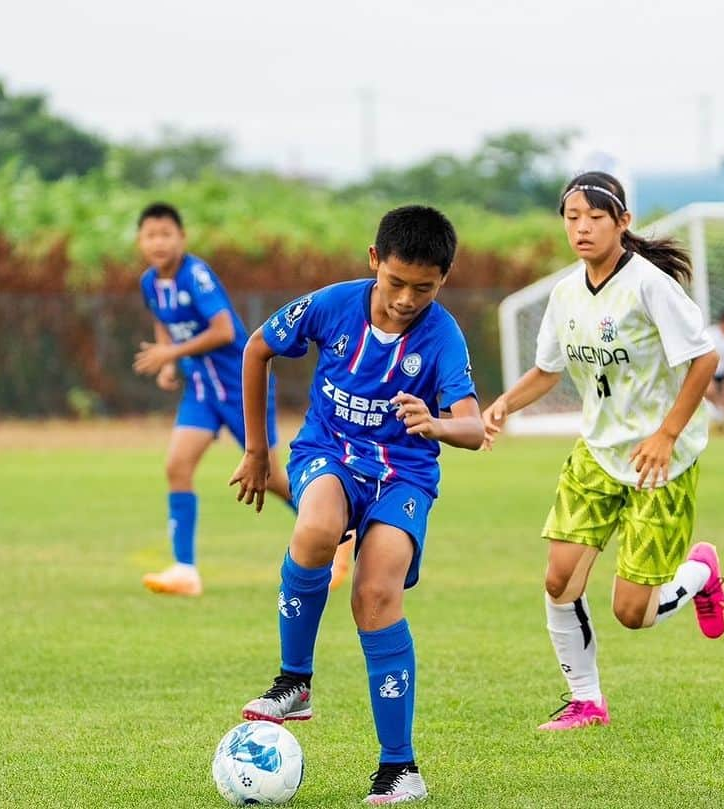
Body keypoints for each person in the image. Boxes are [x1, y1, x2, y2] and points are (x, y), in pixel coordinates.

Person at [229, 205, 483, 804]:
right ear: (375, 262)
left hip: (405, 477)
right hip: (331, 452)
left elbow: (473, 428)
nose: (405, 299)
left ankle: (400, 769)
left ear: (443, 280)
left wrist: (437, 425)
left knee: (375, 595)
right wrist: (257, 451)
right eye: (395, 282)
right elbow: (257, 348)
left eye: (423, 288)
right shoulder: (333, 304)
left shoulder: (442, 335)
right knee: (316, 525)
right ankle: (294, 681)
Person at [481, 171, 724, 731]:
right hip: (596, 452)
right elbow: (548, 372)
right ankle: (586, 702)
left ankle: (699, 573)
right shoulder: (566, 293)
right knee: (558, 581)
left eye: (595, 217)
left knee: (632, 614)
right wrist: (502, 405)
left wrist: (666, 433)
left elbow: (704, 359)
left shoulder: (648, 285)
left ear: (623, 223)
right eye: (572, 218)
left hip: (657, 460)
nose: (583, 228)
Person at [133, 202, 291, 596]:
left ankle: (341, 530)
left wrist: (170, 354)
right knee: (176, 466)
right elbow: (163, 321)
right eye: (150, 235)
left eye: (166, 234)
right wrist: (170, 357)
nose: (158, 242)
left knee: (270, 478)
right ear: (140, 241)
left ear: (182, 238)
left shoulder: (196, 275)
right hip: (202, 392)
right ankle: (185, 570)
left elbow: (223, 331)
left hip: (241, 388)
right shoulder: (150, 283)